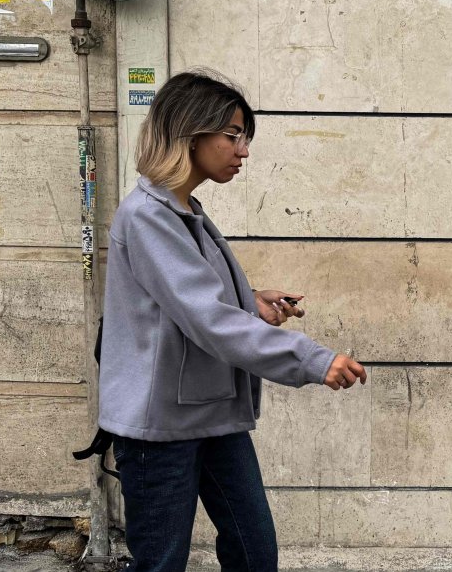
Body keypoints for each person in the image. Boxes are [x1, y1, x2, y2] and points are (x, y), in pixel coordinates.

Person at [97, 69, 367, 572]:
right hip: (160, 429)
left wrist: (253, 303)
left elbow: (198, 304)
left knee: (254, 552)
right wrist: (311, 359)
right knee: (162, 563)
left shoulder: (185, 211)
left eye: (244, 137)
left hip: (214, 415)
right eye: (234, 136)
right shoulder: (148, 217)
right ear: (190, 132)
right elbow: (207, 320)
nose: (243, 151)